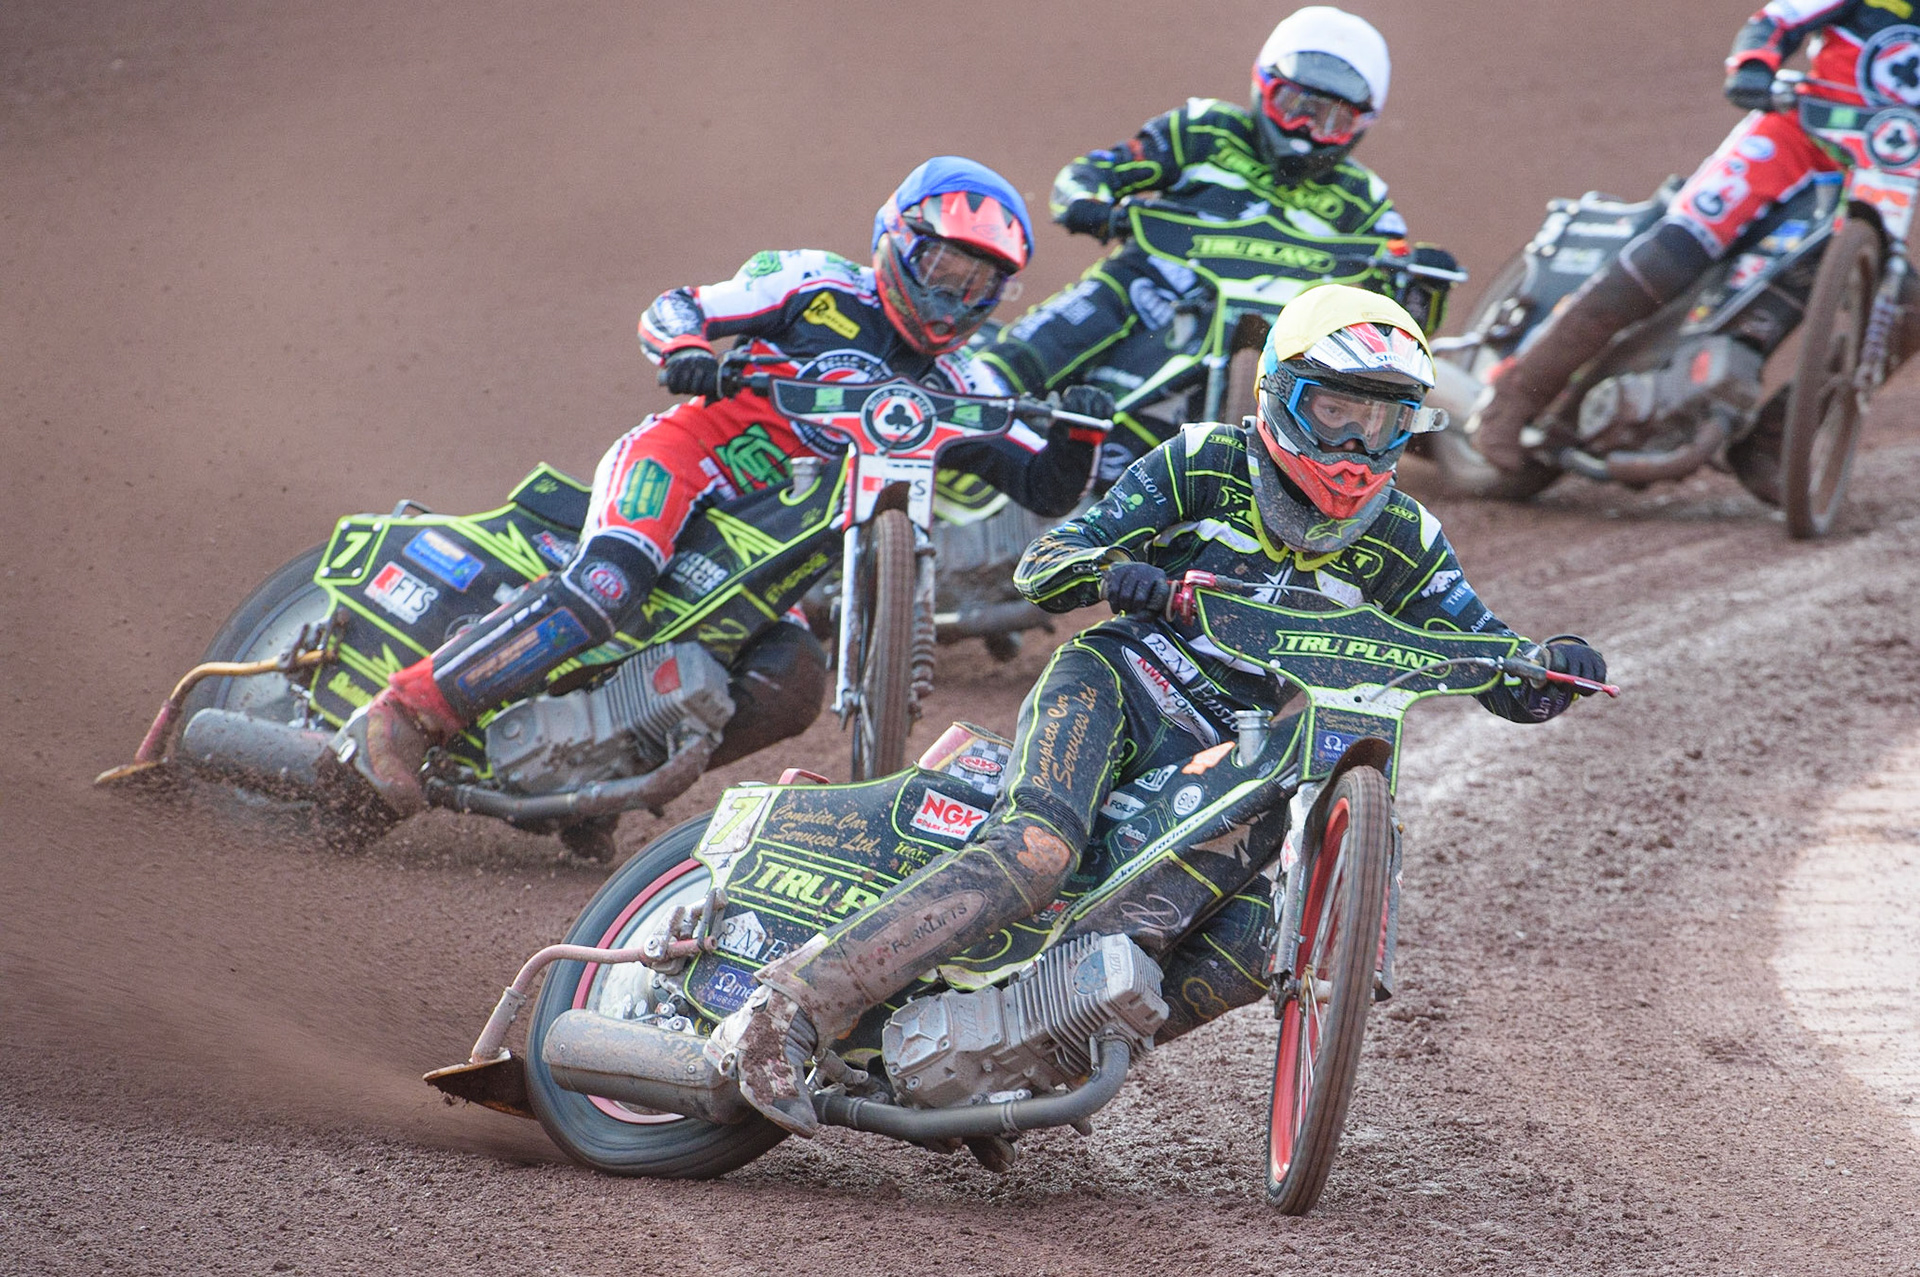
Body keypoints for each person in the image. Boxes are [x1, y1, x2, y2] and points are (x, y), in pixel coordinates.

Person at [721, 284, 1610, 1135]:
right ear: (1279, 396)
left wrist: (1548, 666)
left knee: (1251, 940)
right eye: (1334, 410)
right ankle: (786, 1010)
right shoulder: (1203, 461)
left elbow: (1488, 654)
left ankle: (1011, 1073)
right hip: (1122, 684)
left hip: (1243, 758)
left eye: (1380, 421)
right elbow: (1049, 561)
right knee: (1036, 854)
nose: (1353, 443)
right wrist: (1116, 572)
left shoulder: (1405, 536)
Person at [333, 157, 1109, 814]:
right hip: (686, 461)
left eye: (981, 285)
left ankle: (611, 779)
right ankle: (409, 711)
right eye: (945, 269)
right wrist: (685, 352)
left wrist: (1081, 430)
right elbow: (679, 308)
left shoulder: (958, 382)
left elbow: (1043, 485)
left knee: (794, 683)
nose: (956, 297)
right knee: (608, 582)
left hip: (776, 557)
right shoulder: (814, 284)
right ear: (900, 244)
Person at [1468, 0, 1920, 471]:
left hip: (1881, 174)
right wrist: (1753, 65)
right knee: (1679, 248)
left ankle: (1775, 441)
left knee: (1905, 307)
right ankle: (1514, 395)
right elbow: (1778, 20)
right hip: (1798, 135)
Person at [976, 6, 1418, 477]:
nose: (1305, 131)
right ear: (1262, 85)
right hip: (1149, 288)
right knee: (1019, 359)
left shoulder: (1363, 196)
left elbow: (1400, 278)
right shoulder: (1204, 130)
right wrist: (1091, 204)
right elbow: (1090, 173)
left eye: (1329, 119)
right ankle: (951, 414)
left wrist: (1419, 275)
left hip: (1274, 340)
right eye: (1294, 106)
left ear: (1361, 124)